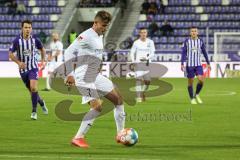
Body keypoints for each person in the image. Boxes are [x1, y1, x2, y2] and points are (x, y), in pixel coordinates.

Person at [64, 10, 126, 148]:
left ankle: (120, 134)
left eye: (106, 26)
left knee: (118, 99)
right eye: (103, 25)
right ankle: (78, 137)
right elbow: (68, 51)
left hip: (94, 75)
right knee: (97, 107)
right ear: (95, 23)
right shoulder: (85, 36)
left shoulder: (99, 35)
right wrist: (69, 74)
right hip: (83, 76)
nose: (105, 28)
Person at [9, 20, 48, 120]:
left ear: (31, 28)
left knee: (34, 88)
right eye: (26, 27)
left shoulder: (35, 39)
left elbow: (42, 49)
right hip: (23, 70)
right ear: (22, 28)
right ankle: (41, 102)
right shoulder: (17, 40)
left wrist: (43, 61)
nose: (28, 29)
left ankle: (34, 112)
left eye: (29, 27)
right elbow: (10, 54)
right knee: (32, 92)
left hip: (33, 67)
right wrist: (19, 63)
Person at [181, 26, 211, 104]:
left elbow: (204, 52)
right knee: (190, 82)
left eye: (195, 31)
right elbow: (183, 53)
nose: (193, 32)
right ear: (190, 33)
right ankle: (192, 99)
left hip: (198, 65)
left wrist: (208, 63)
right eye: (192, 31)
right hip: (189, 65)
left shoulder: (200, 41)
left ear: (197, 32)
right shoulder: (187, 41)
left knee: (201, 80)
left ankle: (196, 94)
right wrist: (182, 63)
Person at [130, 27, 155, 102]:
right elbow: (132, 52)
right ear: (140, 33)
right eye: (142, 32)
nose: (144, 34)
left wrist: (147, 58)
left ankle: (142, 93)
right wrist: (133, 61)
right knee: (138, 80)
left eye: (145, 32)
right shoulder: (136, 42)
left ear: (146, 33)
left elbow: (153, 53)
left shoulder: (150, 42)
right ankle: (138, 97)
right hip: (138, 64)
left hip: (147, 64)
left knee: (147, 82)